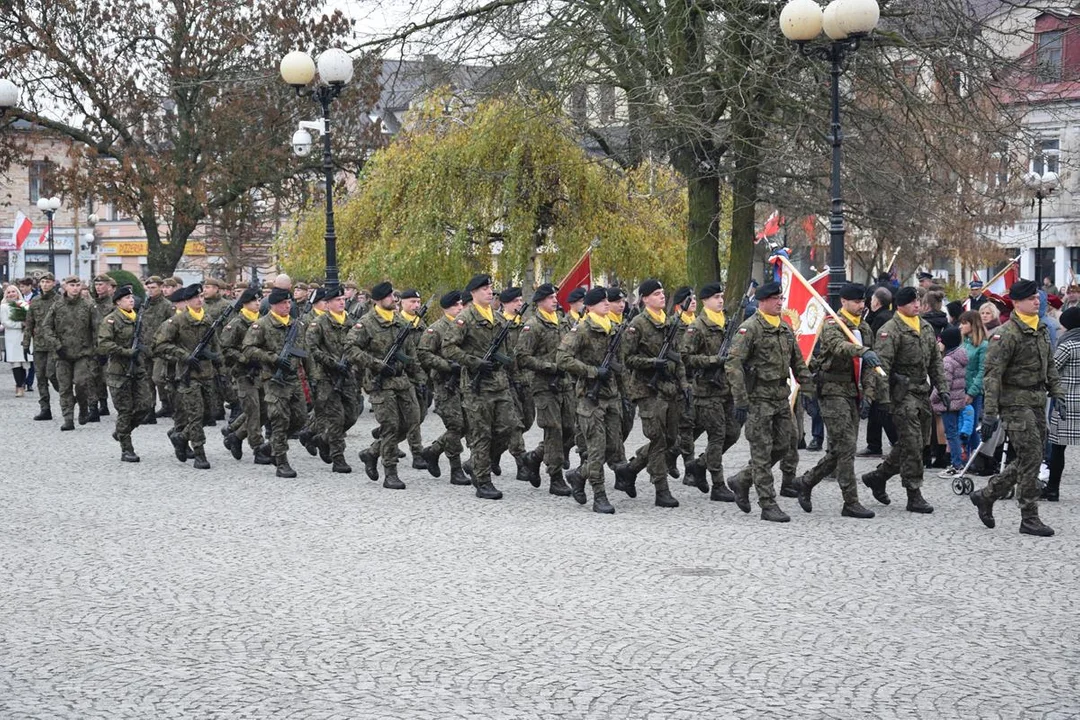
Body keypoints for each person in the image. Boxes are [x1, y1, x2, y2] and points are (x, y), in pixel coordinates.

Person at [970, 279, 1064, 536]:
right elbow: (992, 375)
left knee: (1029, 457)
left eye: (1038, 297)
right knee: (1032, 455)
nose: (1037, 301)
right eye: (1032, 298)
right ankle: (1029, 517)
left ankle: (986, 495)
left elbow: (1050, 365)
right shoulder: (1007, 333)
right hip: (1014, 402)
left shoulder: (1042, 329)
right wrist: (989, 413)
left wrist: (1058, 393)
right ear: (1017, 302)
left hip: (1036, 400)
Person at [726, 281, 813, 523]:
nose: (779, 303)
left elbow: (798, 362)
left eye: (781, 298)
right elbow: (733, 365)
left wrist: (809, 389)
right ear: (762, 301)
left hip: (780, 397)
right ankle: (767, 503)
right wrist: (741, 400)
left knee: (785, 445)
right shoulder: (750, 328)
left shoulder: (784, 329)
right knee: (762, 451)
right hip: (758, 399)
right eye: (774, 299)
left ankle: (742, 479)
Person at [792, 283, 880, 518]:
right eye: (856, 302)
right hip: (832, 390)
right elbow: (838, 346)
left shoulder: (865, 327)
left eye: (863, 302)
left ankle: (806, 481)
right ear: (843, 302)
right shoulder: (832, 323)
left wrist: (869, 394)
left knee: (840, 448)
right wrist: (862, 351)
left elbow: (870, 367)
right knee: (846, 446)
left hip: (853, 391)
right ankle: (850, 501)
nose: (861, 306)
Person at [861, 285, 948, 514]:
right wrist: (883, 397)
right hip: (902, 393)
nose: (917, 305)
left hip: (922, 390)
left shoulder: (926, 327)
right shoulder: (890, 329)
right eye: (911, 302)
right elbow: (882, 365)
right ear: (900, 305)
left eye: (918, 301)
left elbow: (935, 362)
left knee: (917, 442)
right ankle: (914, 493)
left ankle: (878, 477)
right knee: (912, 444)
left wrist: (943, 388)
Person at [444, 274, 518, 500]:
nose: (490, 292)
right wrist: (474, 362)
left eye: (491, 288)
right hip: (477, 387)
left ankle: (476, 463)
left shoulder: (497, 318)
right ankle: (482, 480)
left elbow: (508, 351)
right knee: (481, 434)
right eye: (485, 288)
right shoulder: (465, 318)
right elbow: (448, 347)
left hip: (500, 384)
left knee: (507, 429)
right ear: (474, 292)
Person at [616, 278, 685, 508]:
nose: (662, 296)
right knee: (657, 438)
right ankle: (661, 489)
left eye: (663, 292)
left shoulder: (669, 322)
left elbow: (677, 357)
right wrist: (651, 363)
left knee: (671, 439)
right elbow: (628, 359)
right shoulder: (637, 324)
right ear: (645, 299)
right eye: (656, 293)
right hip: (647, 388)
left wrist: (683, 385)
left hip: (669, 388)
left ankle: (630, 469)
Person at [348, 281, 422, 489]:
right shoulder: (367, 322)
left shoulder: (399, 320)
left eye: (394, 296)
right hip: (380, 382)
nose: (394, 299)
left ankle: (371, 452)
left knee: (411, 422)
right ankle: (390, 472)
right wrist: (376, 364)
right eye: (390, 296)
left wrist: (419, 377)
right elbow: (351, 349)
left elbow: (410, 353)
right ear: (379, 300)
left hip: (402, 380)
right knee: (390, 426)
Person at [558, 286, 623, 513]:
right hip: (589, 397)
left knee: (613, 447)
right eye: (602, 301)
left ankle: (578, 475)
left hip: (611, 395)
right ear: (590, 306)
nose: (607, 303)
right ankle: (599, 495)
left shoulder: (614, 328)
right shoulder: (582, 329)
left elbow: (620, 363)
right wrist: (592, 371)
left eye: (608, 300)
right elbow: (562, 358)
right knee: (596, 448)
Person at [678, 282, 738, 502]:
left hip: (726, 389)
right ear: (705, 301)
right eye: (715, 297)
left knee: (732, 433)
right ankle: (718, 485)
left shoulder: (726, 324)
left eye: (721, 296)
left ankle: (699, 464)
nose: (720, 300)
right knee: (717, 436)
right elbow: (686, 357)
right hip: (706, 391)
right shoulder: (697, 327)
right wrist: (713, 360)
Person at [516, 282, 575, 497]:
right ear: (540, 301)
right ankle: (555, 476)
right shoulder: (533, 325)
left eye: (555, 297)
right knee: (554, 429)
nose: (555, 300)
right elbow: (522, 357)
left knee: (571, 428)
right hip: (543, 385)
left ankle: (534, 458)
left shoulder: (561, 322)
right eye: (550, 297)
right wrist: (548, 367)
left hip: (564, 384)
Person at [243, 287, 308, 477]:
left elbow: (306, 353)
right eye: (283, 303)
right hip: (273, 379)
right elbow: (248, 349)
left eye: (289, 303)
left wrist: (312, 378)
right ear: (272, 305)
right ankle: (281, 461)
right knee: (280, 420)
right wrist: (273, 358)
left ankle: (269, 447)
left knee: (300, 418)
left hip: (293, 379)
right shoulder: (261, 325)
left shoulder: (297, 325)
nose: (287, 306)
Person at [157, 284, 219, 469]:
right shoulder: (177, 321)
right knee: (195, 415)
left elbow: (215, 345)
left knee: (209, 414)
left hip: (206, 373)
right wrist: (184, 356)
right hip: (187, 375)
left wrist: (219, 362)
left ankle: (181, 436)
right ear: (187, 301)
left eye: (201, 296)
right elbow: (160, 346)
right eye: (195, 298)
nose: (199, 300)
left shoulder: (208, 318)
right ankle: (199, 454)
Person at [418, 291, 472, 487]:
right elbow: (424, 354)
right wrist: (448, 366)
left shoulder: (465, 326)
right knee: (456, 426)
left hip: (465, 384)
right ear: (446, 308)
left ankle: (432, 451)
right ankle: (455, 469)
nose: (460, 308)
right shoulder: (436, 330)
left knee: (466, 425)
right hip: (444, 385)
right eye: (456, 305)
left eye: (461, 305)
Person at [305, 285, 360, 473]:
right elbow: (312, 349)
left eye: (343, 299)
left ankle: (323, 439)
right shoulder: (318, 323)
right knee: (336, 418)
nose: (341, 302)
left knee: (352, 415)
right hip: (327, 376)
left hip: (347, 376)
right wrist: (333, 363)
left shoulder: (351, 322)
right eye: (337, 300)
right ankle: (338, 457)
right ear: (327, 304)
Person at [96, 285, 153, 462]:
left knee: (145, 406)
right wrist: (126, 352)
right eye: (127, 298)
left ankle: (121, 431)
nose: (131, 300)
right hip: (119, 372)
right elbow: (103, 345)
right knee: (125, 410)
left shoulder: (138, 318)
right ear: (118, 302)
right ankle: (126, 449)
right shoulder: (111, 320)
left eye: (132, 298)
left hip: (138, 369)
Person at [220, 287, 272, 465]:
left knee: (264, 411)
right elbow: (225, 348)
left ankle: (236, 435)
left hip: (261, 373)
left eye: (259, 300)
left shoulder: (263, 322)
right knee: (253, 411)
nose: (258, 303)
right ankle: (258, 448)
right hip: (243, 374)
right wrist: (243, 358)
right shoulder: (236, 323)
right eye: (254, 301)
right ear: (245, 303)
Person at [42, 276, 100, 430]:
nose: (75, 288)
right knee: (64, 387)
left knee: (81, 383)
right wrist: (57, 345)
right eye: (71, 285)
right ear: (65, 287)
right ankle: (68, 418)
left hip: (83, 353)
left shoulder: (88, 306)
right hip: (62, 354)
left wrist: (99, 350)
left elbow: (97, 329)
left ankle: (83, 407)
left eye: (77, 285)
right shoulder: (57, 306)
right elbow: (46, 328)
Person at [1044, 306, 1080, 502]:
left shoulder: (1067, 345)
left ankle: (1053, 489)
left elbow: (1052, 369)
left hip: (1067, 402)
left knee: (1058, 448)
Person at [931, 326, 970, 477]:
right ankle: (958, 462)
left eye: (940, 341)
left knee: (951, 434)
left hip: (949, 403)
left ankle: (956, 464)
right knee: (953, 432)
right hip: (957, 400)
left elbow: (943, 384)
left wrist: (932, 399)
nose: (938, 344)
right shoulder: (960, 357)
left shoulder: (947, 361)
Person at [22, 272, 60, 420]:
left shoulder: (59, 300)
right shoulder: (35, 301)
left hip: (54, 344)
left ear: (53, 283)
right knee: (40, 377)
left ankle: (67, 396)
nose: (45, 284)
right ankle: (45, 408)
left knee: (51, 374)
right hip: (39, 344)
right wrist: (26, 344)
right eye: (43, 282)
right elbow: (29, 323)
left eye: (48, 282)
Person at [958, 310, 987, 459]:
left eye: (964, 323)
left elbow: (982, 371)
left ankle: (976, 457)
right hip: (960, 389)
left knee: (972, 425)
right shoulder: (964, 343)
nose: (961, 326)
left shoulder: (983, 345)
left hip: (973, 392)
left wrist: (972, 392)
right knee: (962, 424)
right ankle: (965, 456)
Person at [90, 273, 116, 417]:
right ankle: (98, 406)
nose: (98, 287)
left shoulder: (113, 305)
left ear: (108, 286)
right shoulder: (91, 304)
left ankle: (121, 407)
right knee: (94, 377)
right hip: (93, 346)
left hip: (109, 347)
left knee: (109, 378)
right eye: (97, 285)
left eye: (101, 285)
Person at [2, 284, 30, 396]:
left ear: (17, 292)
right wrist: (20, 324)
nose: (11, 294)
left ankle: (22, 384)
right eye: (8, 292)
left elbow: (31, 317)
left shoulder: (24, 305)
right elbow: (5, 322)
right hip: (12, 337)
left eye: (13, 291)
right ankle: (19, 386)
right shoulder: (3, 307)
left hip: (25, 336)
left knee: (24, 362)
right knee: (16, 362)